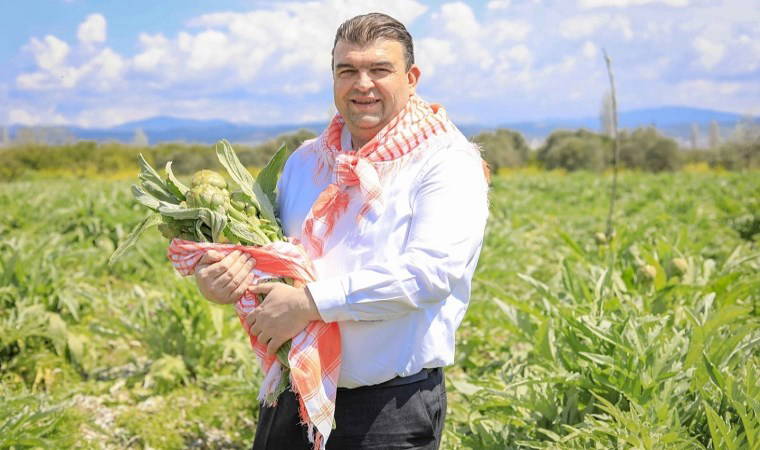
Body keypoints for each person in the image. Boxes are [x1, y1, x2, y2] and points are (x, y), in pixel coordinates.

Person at [194, 12, 489, 449]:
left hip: (386, 411)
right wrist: (222, 279)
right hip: (293, 393)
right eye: (347, 70)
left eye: (380, 69)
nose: (362, 84)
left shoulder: (446, 162)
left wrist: (309, 304)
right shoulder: (304, 162)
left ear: (411, 79)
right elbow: (268, 259)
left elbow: (430, 274)